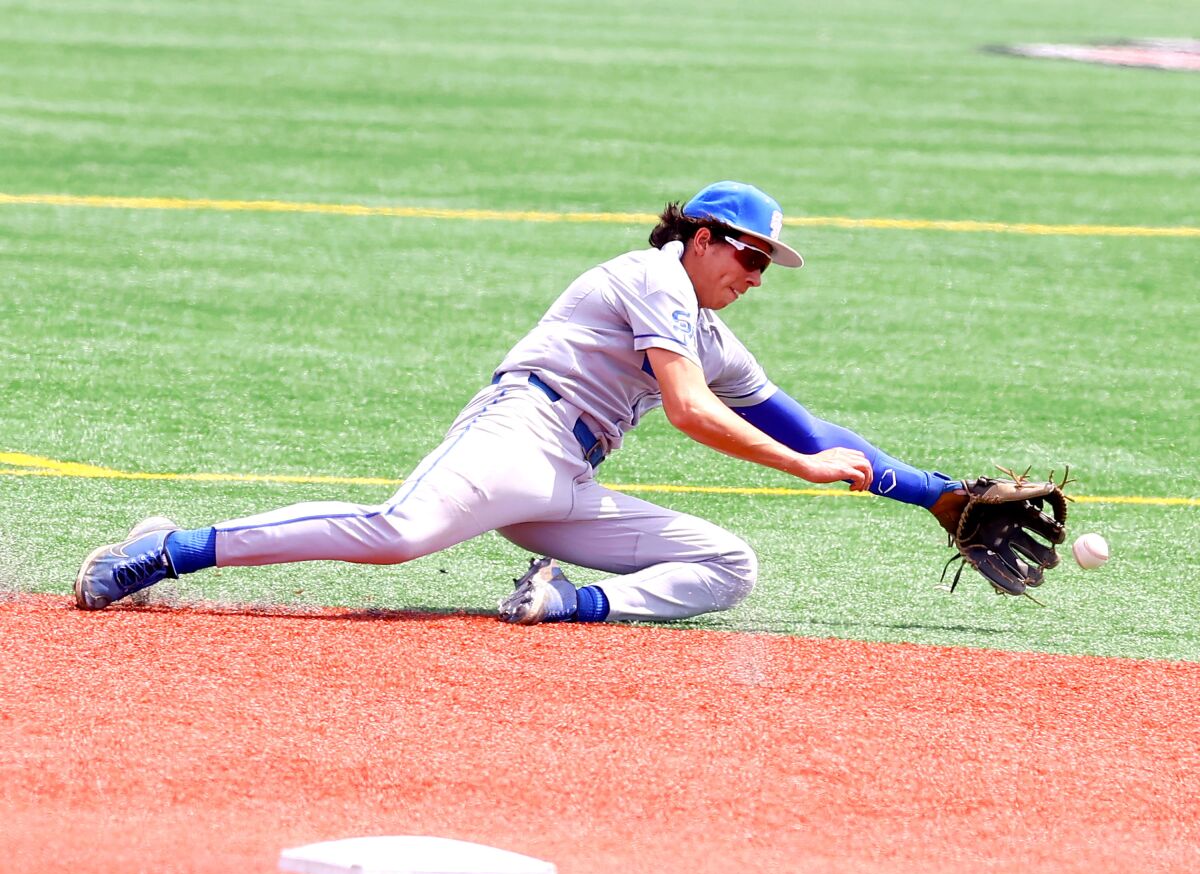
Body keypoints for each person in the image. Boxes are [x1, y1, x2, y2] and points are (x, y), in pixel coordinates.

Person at [74, 181, 967, 624]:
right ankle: (171, 550)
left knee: (729, 566)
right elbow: (695, 414)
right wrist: (803, 467)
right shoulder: (650, 275)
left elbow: (807, 427)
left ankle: (560, 602)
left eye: (767, 264)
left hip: (566, 479)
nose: (757, 275)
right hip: (518, 436)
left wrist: (932, 491)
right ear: (702, 239)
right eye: (751, 256)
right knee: (398, 536)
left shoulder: (708, 332)